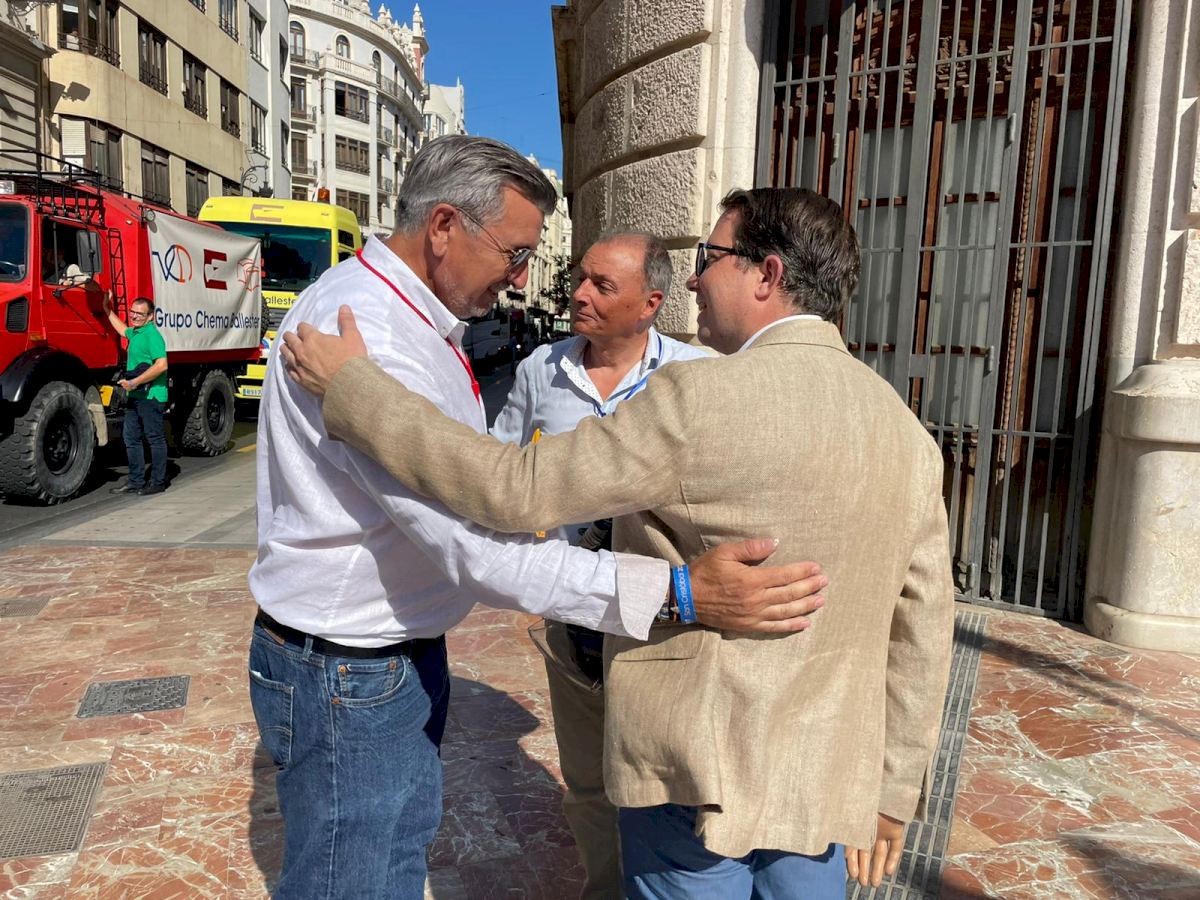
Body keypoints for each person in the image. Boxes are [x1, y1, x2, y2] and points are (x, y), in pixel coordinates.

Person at [280, 186, 956, 899]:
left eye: (711, 257)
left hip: (695, 776)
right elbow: (923, 631)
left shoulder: (700, 399)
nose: (694, 279)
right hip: (821, 779)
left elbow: (507, 485)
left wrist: (356, 391)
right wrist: (892, 791)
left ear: (768, 274)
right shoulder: (906, 434)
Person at [490, 230, 707, 898]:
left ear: (651, 304)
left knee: (667, 781)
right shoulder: (541, 370)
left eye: (602, 285)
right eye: (581, 278)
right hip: (577, 614)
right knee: (588, 783)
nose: (579, 294)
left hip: (666, 619)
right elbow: (501, 471)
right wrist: (529, 566)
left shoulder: (695, 376)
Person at [102, 290, 169, 495]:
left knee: (155, 438)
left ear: (150, 316)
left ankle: (157, 482)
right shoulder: (136, 333)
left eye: (140, 313)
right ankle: (136, 481)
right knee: (131, 438)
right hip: (136, 395)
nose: (134, 316)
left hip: (151, 396)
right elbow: (122, 330)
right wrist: (106, 309)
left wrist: (134, 382)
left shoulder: (152, 335)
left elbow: (162, 365)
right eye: (132, 312)